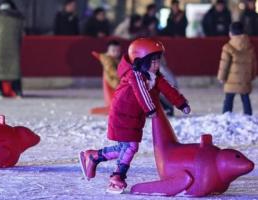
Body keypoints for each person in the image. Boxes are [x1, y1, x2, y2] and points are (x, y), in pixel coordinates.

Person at [79, 38, 191, 193]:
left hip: (134, 117)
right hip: (122, 116)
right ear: (141, 60)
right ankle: (117, 176)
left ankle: (94, 157)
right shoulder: (134, 75)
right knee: (130, 146)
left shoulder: (153, 75)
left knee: (124, 148)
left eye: (158, 61)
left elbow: (167, 88)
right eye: (153, 62)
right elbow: (142, 93)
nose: (157, 65)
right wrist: (150, 109)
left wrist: (181, 103)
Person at [217, 22, 257, 115]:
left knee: (228, 99)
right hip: (245, 79)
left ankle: (226, 116)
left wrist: (221, 77)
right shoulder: (250, 46)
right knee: (245, 98)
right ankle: (248, 116)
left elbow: (224, 65)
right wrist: (252, 76)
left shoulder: (228, 47)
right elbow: (254, 63)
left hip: (231, 80)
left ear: (231, 33)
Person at [0, 0, 24, 97]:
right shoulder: (18, 18)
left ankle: (0, 91)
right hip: (13, 47)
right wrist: (18, 46)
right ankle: (18, 92)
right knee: (14, 71)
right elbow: (21, 35)